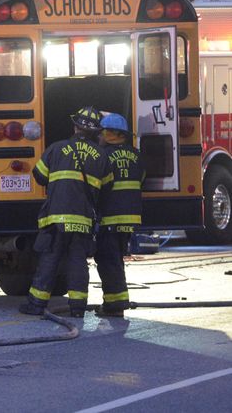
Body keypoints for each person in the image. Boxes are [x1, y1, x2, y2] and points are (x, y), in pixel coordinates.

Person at [20, 106, 110, 318]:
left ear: (75, 126)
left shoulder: (57, 148)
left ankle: (36, 305)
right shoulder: (102, 156)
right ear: (96, 132)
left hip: (56, 217)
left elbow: (39, 176)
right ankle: (78, 308)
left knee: (50, 259)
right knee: (78, 262)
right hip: (83, 219)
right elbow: (106, 187)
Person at [94, 113, 142, 318]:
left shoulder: (102, 156)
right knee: (115, 259)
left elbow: (98, 186)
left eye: (101, 132)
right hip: (130, 217)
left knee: (107, 260)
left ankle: (115, 305)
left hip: (110, 216)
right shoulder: (137, 154)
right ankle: (116, 301)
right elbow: (141, 178)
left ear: (109, 134)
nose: (98, 137)